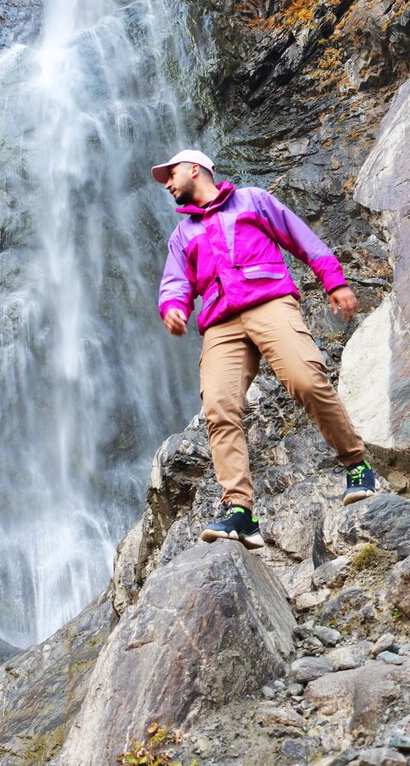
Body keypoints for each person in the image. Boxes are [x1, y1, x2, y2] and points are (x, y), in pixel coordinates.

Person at [152, 148, 375, 549]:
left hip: (269, 301)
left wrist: (334, 280)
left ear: (194, 169)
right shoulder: (181, 234)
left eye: (170, 174)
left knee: (305, 379)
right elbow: (175, 283)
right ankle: (240, 511)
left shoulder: (252, 199)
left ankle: (356, 465)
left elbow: (299, 236)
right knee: (219, 407)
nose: (167, 183)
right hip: (220, 322)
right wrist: (173, 308)